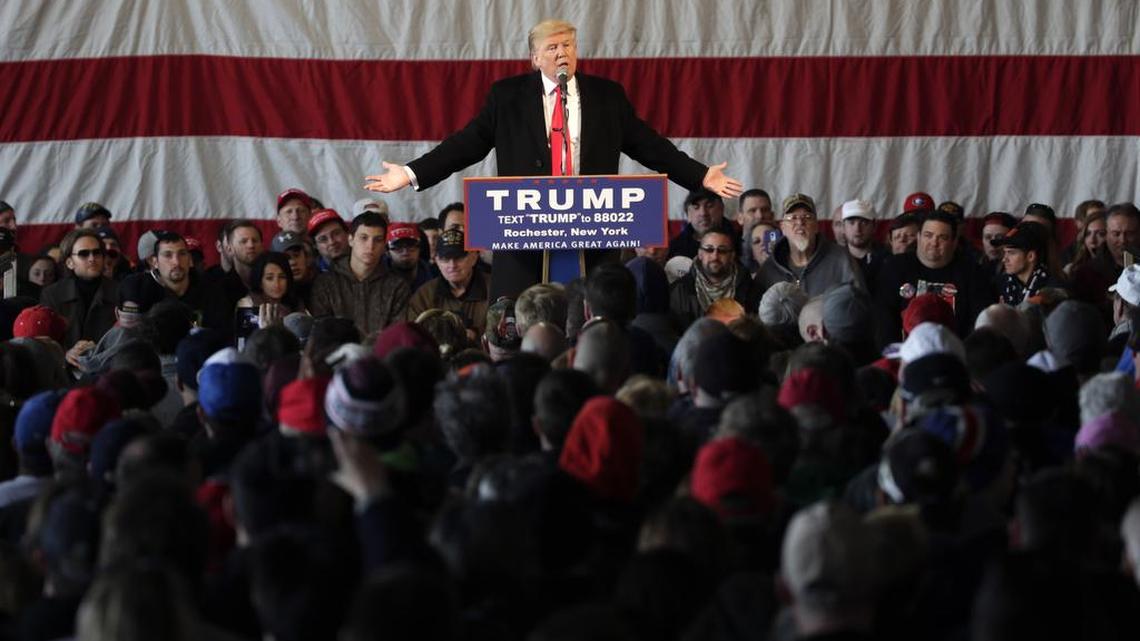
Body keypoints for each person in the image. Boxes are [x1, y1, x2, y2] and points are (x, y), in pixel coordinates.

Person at [363, 18, 742, 298]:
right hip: (526, 243)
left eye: (568, 45)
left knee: (590, 326)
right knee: (519, 326)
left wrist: (701, 176)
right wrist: (411, 173)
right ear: (534, 58)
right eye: (552, 47)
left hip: (592, 239)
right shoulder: (506, 97)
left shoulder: (606, 96)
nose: (562, 52)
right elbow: (465, 144)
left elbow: (650, 145)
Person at [876, 210, 996, 344]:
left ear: (954, 242)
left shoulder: (972, 273)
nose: (934, 242)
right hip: (904, 352)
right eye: (928, 235)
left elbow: (979, 323)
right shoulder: (895, 267)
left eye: (942, 237)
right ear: (919, 237)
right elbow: (883, 321)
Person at [309, 212, 410, 338]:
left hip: (381, 355)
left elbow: (396, 335)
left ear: (384, 246)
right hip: (337, 355)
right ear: (350, 240)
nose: (370, 246)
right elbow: (322, 332)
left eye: (377, 240)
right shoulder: (326, 283)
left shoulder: (397, 286)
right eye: (363, 238)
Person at [755, 193, 865, 297]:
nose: (800, 222)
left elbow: (860, 306)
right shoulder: (769, 268)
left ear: (816, 226)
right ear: (783, 228)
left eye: (807, 217)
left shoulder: (842, 260)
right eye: (793, 218)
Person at [39, 229, 119, 349]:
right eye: (84, 254)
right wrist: (66, 355)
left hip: (108, 364)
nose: (92, 258)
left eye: (97, 252)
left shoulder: (119, 291)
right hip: (64, 365)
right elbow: (46, 341)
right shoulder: (52, 294)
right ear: (70, 262)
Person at [405, 229, 490, 341]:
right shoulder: (424, 295)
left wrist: (476, 335)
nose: (452, 265)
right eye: (445, 259)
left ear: (474, 257)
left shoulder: (494, 288)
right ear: (437, 261)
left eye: (459, 258)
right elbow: (413, 336)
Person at [669, 229, 759, 329]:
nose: (715, 256)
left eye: (722, 250)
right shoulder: (678, 291)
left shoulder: (751, 289)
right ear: (700, 254)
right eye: (709, 249)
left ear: (732, 256)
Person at [993, 222, 1066, 305]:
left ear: (1030, 256)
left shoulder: (1054, 289)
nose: (1004, 259)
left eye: (1011, 253)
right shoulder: (1002, 284)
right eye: (1005, 252)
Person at [236, 252, 306, 329]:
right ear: (259, 281)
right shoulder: (247, 304)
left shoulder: (296, 303)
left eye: (282, 277)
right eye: (269, 278)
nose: (277, 284)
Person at [668, 189, 740, 259]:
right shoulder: (676, 248)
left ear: (721, 208)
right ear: (688, 213)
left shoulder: (739, 242)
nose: (703, 213)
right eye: (696, 207)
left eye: (709, 206)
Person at [841, 199, 888, 290]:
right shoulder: (834, 260)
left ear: (874, 226)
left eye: (863, 222)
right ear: (843, 227)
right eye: (852, 223)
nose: (857, 229)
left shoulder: (888, 259)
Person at [382, 222, 432, 292]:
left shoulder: (435, 276)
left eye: (411, 245)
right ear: (387, 252)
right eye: (398, 246)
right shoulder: (376, 280)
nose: (405, 251)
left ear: (420, 248)